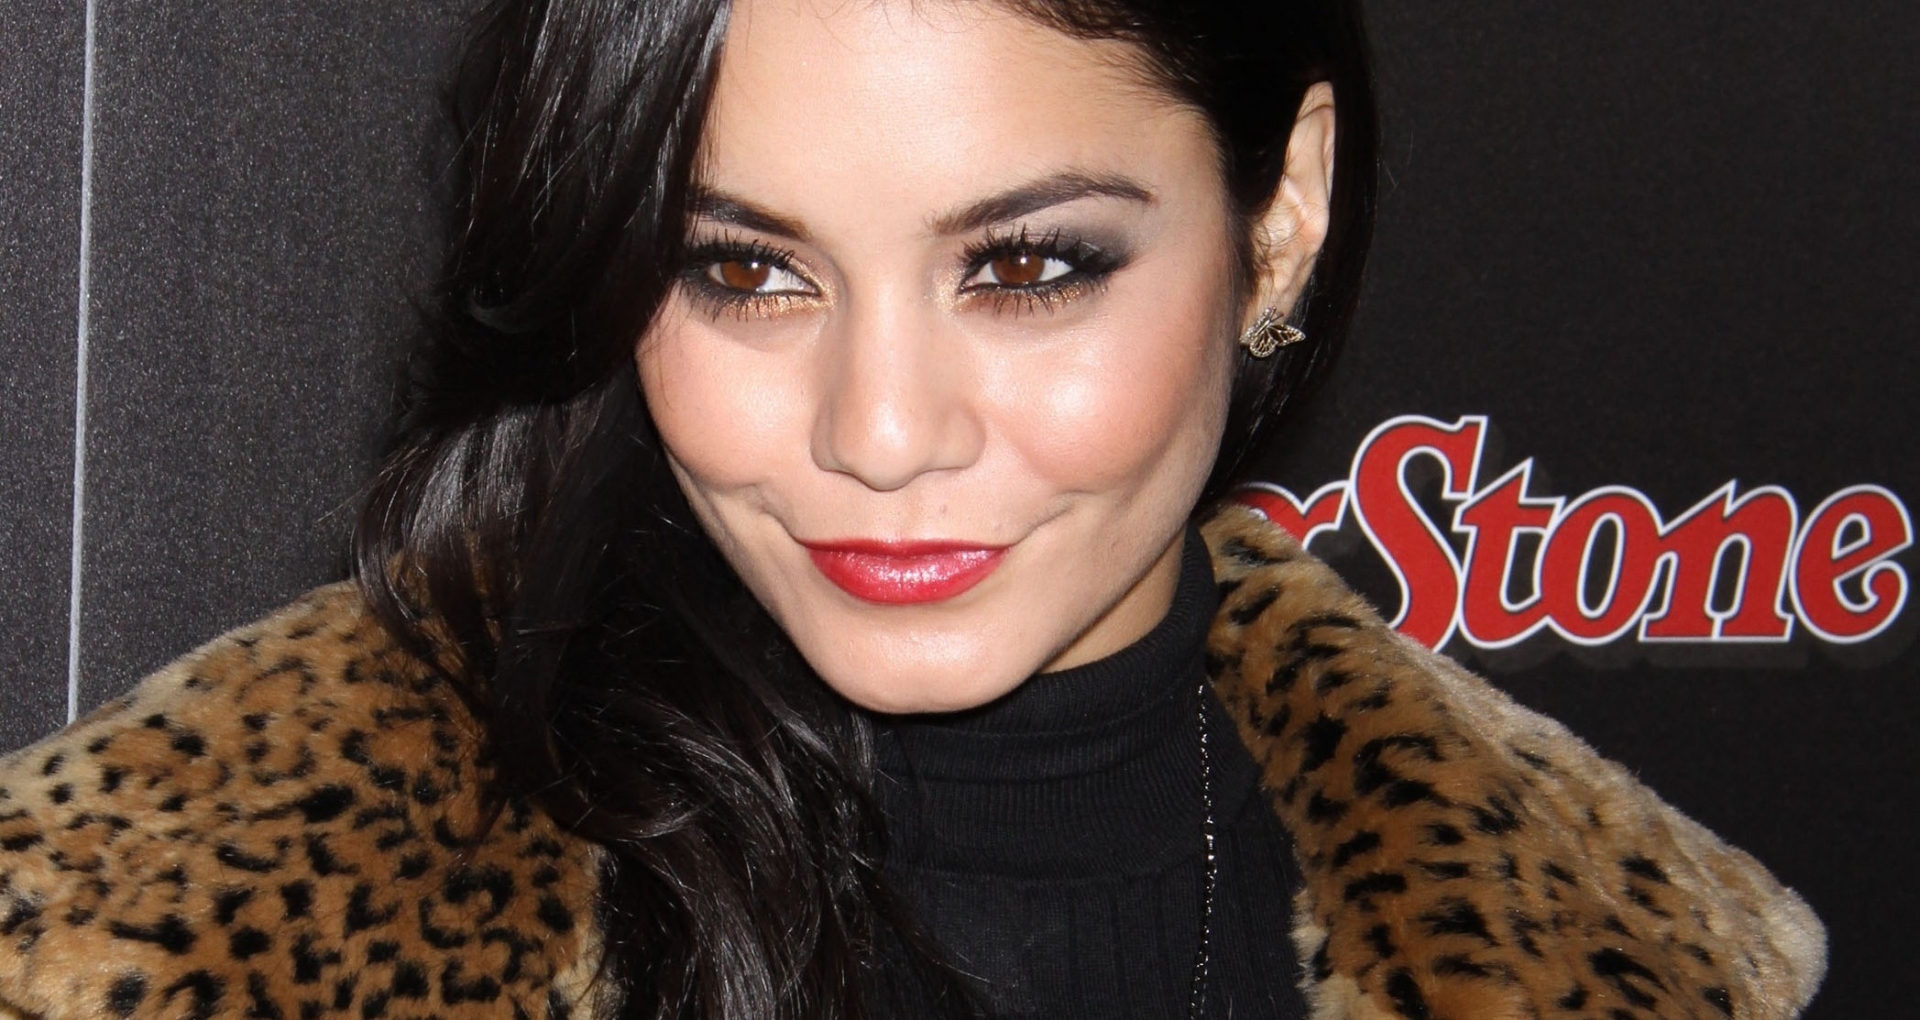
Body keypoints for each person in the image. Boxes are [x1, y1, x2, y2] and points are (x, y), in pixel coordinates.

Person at [0, 0, 1826, 1017]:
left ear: (1282, 216)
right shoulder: (151, 938)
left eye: (1027, 266)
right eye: (745, 270)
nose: (880, 434)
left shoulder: (1632, 970)